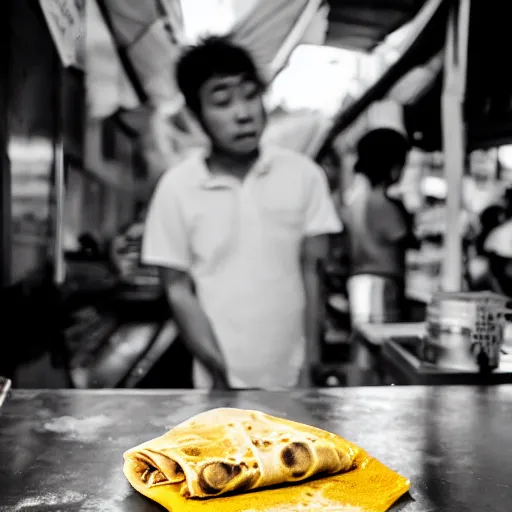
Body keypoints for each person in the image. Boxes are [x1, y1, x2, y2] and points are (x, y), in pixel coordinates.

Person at [141, 36, 342, 389]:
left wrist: (312, 363)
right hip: (216, 388)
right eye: (222, 101)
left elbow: (314, 273)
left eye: (251, 95)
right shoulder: (177, 188)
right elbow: (177, 290)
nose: (243, 113)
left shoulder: (304, 175)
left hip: (294, 383)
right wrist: (220, 374)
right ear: (195, 115)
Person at [342, 127, 417, 327]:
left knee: (364, 346)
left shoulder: (354, 200)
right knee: (382, 346)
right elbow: (405, 239)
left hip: (358, 281)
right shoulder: (384, 205)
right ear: (393, 166)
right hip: (382, 284)